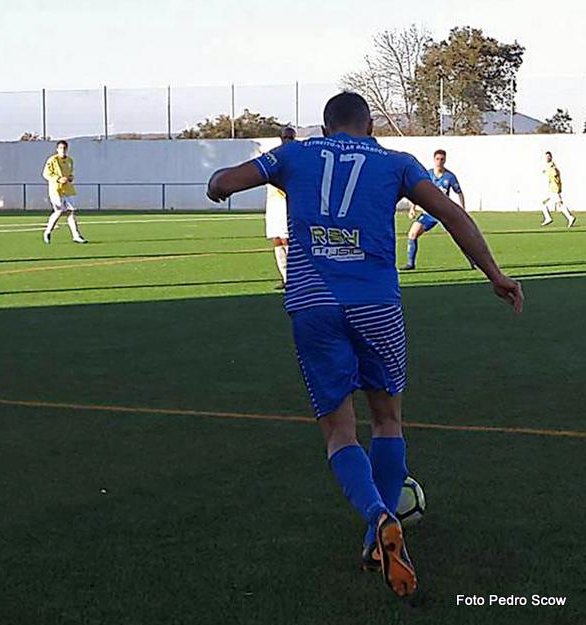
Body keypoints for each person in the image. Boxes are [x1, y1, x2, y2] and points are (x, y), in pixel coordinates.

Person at [206, 92, 523, 598]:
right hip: (377, 305)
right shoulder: (396, 162)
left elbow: (223, 182)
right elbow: (454, 215)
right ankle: (377, 530)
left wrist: (217, 186)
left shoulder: (295, 154)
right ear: (368, 124)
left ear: (326, 126)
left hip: (313, 304)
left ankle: (377, 515)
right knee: (387, 420)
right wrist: (496, 275)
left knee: (339, 431)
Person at [402, 149, 465, 270]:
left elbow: (459, 192)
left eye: (442, 159)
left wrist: (462, 208)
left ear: (445, 160)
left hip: (444, 213)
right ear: (434, 160)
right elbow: (416, 191)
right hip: (429, 212)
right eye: (437, 159)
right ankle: (410, 264)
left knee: (460, 237)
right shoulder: (427, 174)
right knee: (412, 234)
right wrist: (412, 208)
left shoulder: (450, 177)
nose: (439, 162)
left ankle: (473, 261)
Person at [265, 126, 296, 288]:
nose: (287, 140)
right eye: (285, 137)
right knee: (277, 239)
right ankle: (285, 277)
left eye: (290, 137)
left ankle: (295, 278)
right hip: (274, 203)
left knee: (287, 239)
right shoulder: (273, 154)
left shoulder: (298, 155)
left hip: (289, 202)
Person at [42, 140, 87, 244]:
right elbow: (46, 174)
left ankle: (76, 236)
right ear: (57, 149)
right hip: (56, 190)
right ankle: (48, 231)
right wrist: (58, 179)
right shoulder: (52, 160)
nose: (63, 150)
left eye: (64, 148)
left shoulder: (70, 160)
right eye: (61, 148)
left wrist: (71, 178)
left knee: (71, 213)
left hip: (68, 190)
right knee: (59, 211)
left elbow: (70, 173)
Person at [540, 151, 575, 227]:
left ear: (551, 157)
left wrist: (552, 171)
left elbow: (555, 173)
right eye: (546, 156)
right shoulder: (549, 166)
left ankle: (570, 217)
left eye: (548, 156)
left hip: (554, 189)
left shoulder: (552, 165)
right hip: (552, 189)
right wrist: (546, 171)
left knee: (559, 204)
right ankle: (549, 218)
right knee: (545, 204)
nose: (547, 158)